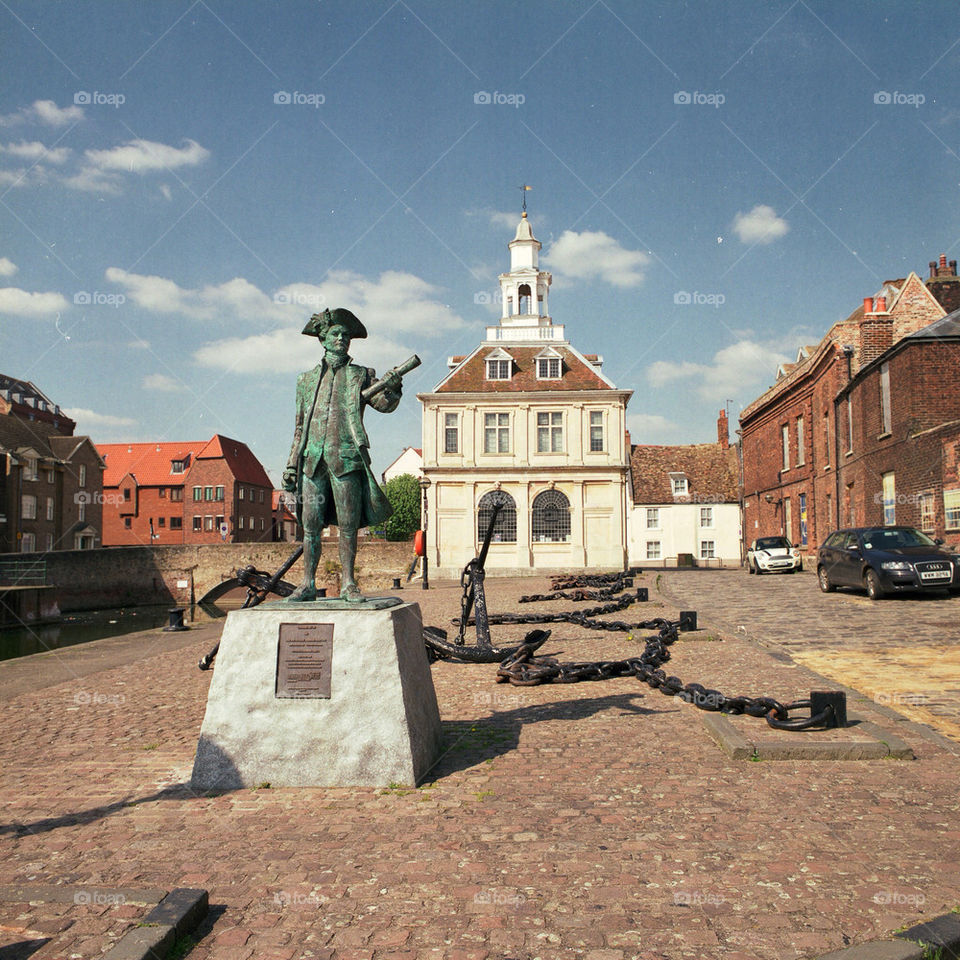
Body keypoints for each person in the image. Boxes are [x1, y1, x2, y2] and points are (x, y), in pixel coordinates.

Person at [281, 308, 401, 601]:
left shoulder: (360, 375)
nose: (342, 339)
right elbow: (299, 427)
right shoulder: (305, 380)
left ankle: (348, 583)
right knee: (310, 525)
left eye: (346, 335)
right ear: (322, 339)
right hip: (312, 459)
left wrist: (394, 387)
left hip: (346, 458)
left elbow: (385, 405)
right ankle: (307, 583)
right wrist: (291, 464)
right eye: (336, 334)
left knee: (348, 525)